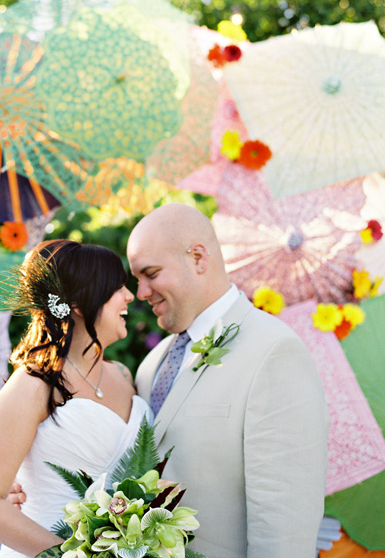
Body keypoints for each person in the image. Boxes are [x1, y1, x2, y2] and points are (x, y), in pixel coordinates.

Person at [127, 202, 330, 558]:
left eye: (151, 273)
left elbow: (284, 530)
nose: (141, 292)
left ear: (198, 258)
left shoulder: (274, 352)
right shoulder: (150, 365)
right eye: (138, 280)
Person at [0, 238, 150, 558]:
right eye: (117, 287)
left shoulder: (122, 374)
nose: (129, 296)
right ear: (79, 303)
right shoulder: (33, 383)